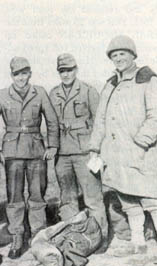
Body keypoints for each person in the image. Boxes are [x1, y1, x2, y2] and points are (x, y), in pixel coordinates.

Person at [89, 35, 157, 264]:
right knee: (127, 199)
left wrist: (142, 141)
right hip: (115, 153)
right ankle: (138, 242)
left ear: (133, 55)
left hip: (141, 151)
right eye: (114, 56)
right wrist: (95, 147)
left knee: (151, 197)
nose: (118, 59)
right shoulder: (110, 84)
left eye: (122, 54)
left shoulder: (147, 78)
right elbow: (101, 119)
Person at [0, 57, 59, 258]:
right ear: (11, 75)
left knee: (37, 195)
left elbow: (52, 121)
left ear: (30, 73)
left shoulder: (39, 93)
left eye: (24, 73)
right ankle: (17, 237)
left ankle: (38, 236)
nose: (20, 77)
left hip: (36, 150)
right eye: (16, 74)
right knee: (14, 198)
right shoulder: (2, 95)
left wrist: (53, 145)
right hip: (12, 152)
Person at [48, 53, 108, 246]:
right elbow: (51, 123)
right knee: (68, 199)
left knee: (93, 198)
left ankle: (100, 238)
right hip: (63, 154)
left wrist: (96, 149)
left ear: (76, 69)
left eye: (69, 70)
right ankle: (74, 239)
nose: (66, 74)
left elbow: (100, 122)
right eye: (62, 71)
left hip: (84, 152)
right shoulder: (53, 93)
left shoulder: (88, 91)